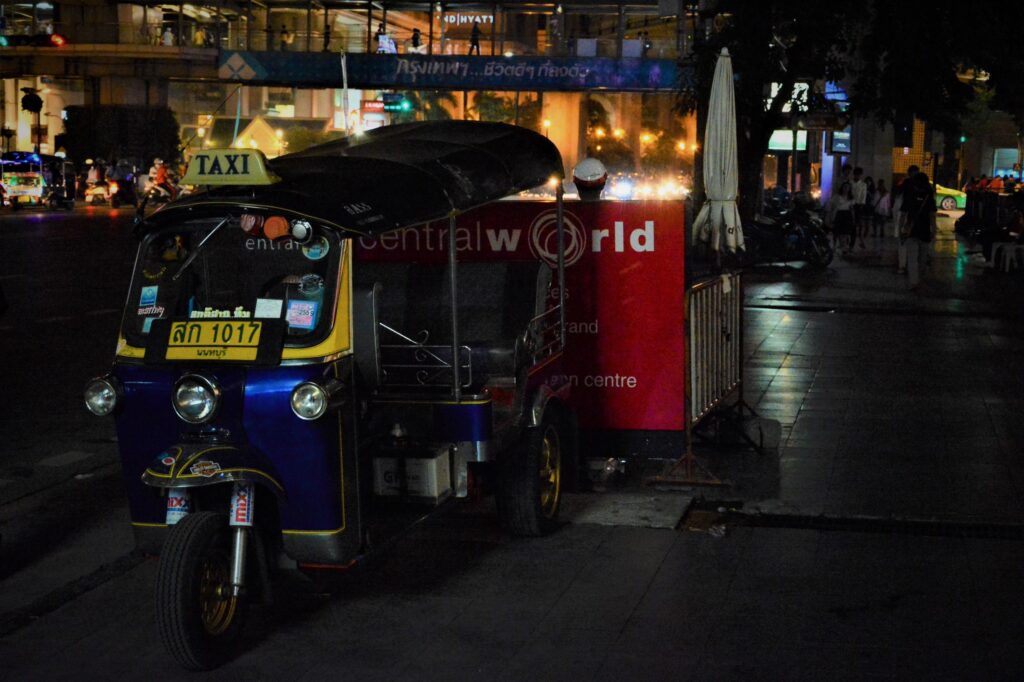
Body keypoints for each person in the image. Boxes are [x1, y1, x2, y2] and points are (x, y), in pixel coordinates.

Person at [901, 171, 936, 290]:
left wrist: (902, 228)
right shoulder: (929, 196)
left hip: (912, 229)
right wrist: (934, 230)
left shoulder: (909, 194)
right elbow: (932, 215)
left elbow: (903, 213)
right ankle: (918, 279)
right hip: (925, 230)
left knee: (912, 258)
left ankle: (913, 281)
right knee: (922, 258)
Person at [832, 181, 856, 255]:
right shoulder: (837, 196)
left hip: (847, 214)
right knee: (838, 232)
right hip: (839, 214)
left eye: (848, 187)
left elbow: (852, 209)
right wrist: (832, 217)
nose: (846, 189)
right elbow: (834, 207)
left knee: (845, 232)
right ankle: (837, 246)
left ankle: (844, 247)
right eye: (845, 187)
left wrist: (853, 218)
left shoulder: (851, 198)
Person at [851, 167, 868, 248]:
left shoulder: (863, 184)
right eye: (856, 174)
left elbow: (863, 195)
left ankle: (861, 239)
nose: (857, 176)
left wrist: (862, 204)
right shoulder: (850, 183)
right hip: (850, 205)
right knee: (852, 223)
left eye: (859, 175)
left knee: (860, 223)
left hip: (859, 205)